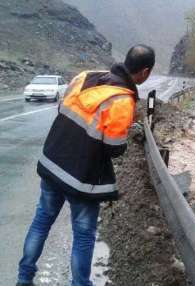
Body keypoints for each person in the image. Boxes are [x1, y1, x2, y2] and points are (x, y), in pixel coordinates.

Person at [16, 45, 155, 286]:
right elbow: (114, 149)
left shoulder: (86, 76)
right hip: (81, 177)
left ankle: (24, 278)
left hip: (52, 163)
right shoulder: (122, 101)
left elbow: (64, 110)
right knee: (83, 236)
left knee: (41, 221)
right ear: (145, 72)